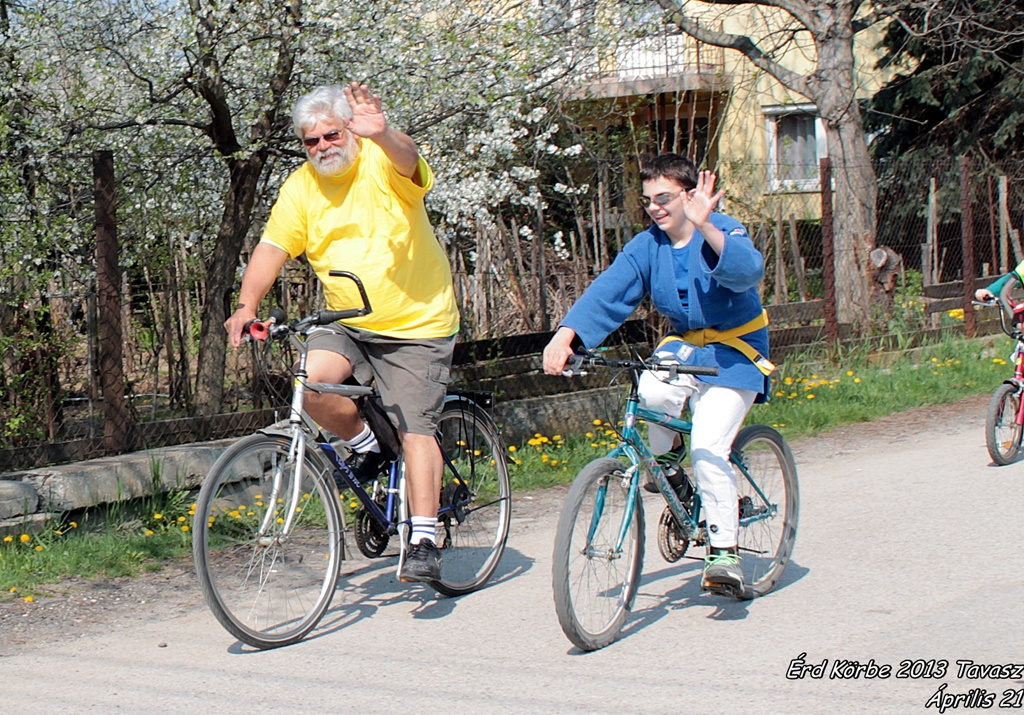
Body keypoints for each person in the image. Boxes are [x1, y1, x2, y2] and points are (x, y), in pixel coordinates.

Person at [224, 82, 460, 583]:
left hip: (415, 324)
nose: (323, 148)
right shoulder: (301, 187)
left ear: (350, 130)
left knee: (417, 429)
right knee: (309, 386)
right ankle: (370, 442)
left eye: (332, 135)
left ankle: (422, 537)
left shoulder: (380, 159)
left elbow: (409, 160)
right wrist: (246, 305)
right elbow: (272, 248)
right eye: (311, 141)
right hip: (346, 320)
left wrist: (385, 133)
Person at [542, 153, 773, 596]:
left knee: (708, 446)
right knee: (649, 391)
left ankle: (724, 550)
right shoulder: (648, 245)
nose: (654, 208)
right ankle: (672, 475)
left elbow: (747, 272)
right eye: (647, 200)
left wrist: (706, 226)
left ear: (690, 195)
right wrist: (567, 335)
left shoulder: (722, 228)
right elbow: (610, 290)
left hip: (736, 351)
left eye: (663, 198)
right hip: (684, 345)